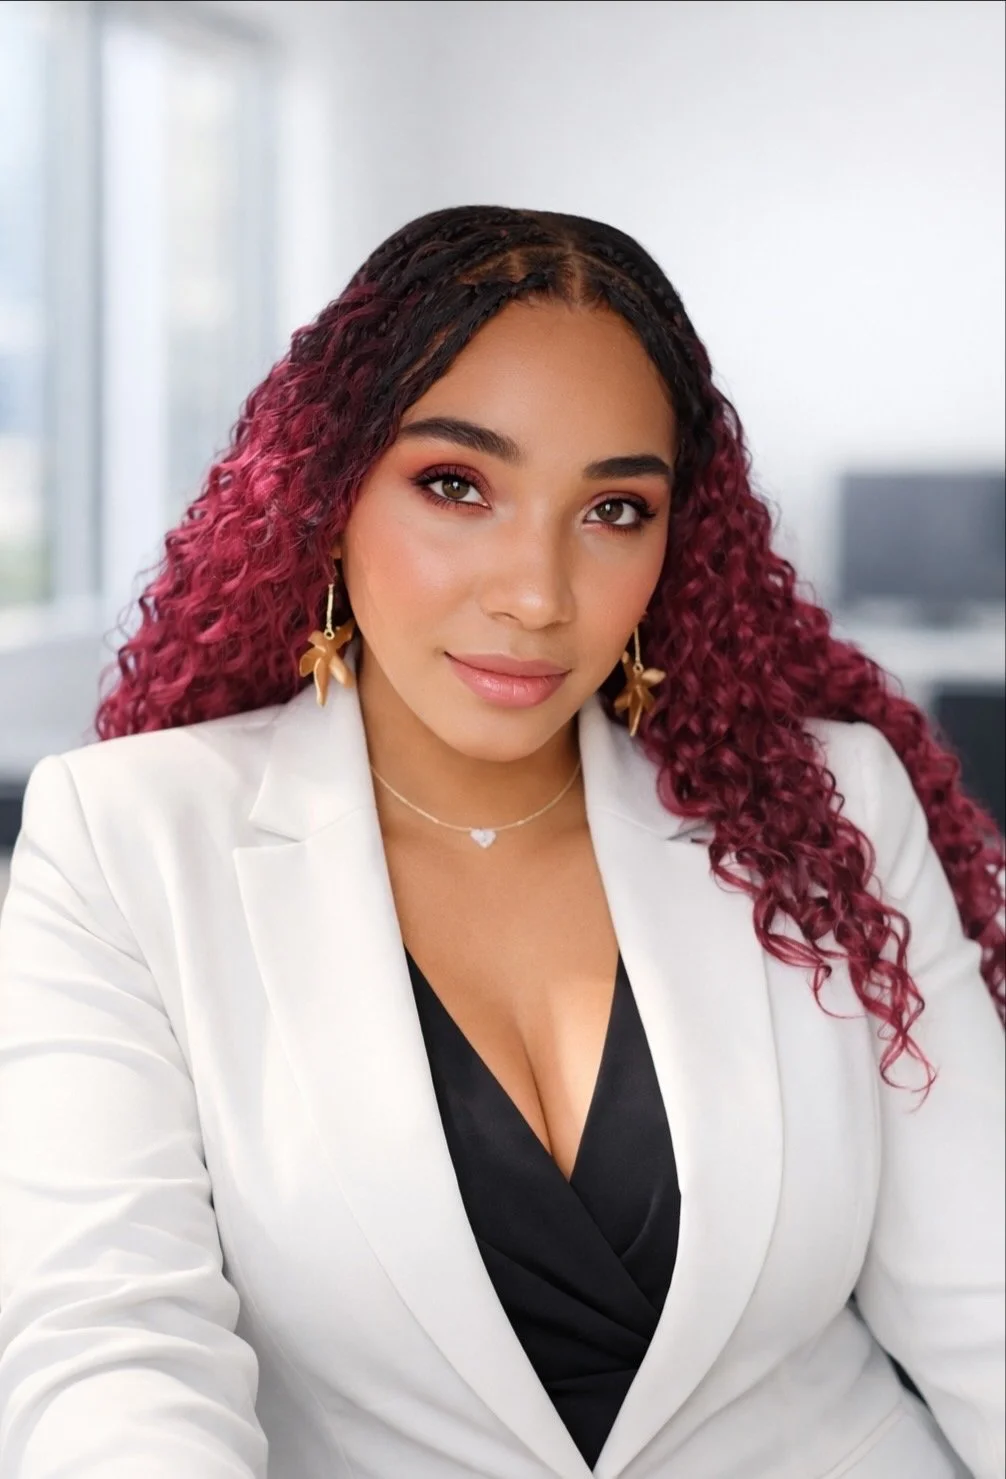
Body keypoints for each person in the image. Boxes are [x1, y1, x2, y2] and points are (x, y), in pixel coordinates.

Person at [0, 206, 1003, 1479]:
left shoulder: (822, 807)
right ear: (326, 492)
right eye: (455, 486)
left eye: (614, 510)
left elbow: (987, 1303)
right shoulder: (128, 836)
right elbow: (111, 1356)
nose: (535, 594)